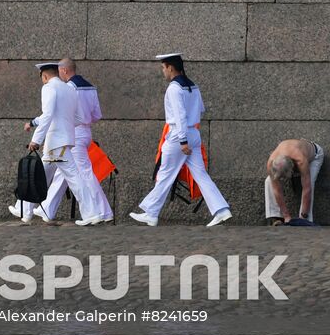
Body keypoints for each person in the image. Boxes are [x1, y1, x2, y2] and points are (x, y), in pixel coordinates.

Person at [130, 53, 231, 227]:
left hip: (179, 135)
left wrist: (183, 140)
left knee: (165, 174)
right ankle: (222, 210)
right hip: (194, 134)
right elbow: (200, 110)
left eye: (163, 67)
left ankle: (151, 213)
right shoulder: (193, 86)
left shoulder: (174, 88)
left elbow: (179, 116)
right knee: (200, 174)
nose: (163, 71)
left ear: (170, 67)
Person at [10, 61, 88, 224]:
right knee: (40, 175)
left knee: (73, 178)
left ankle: (91, 212)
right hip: (62, 142)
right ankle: (24, 209)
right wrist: (36, 123)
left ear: (44, 75)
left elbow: (47, 115)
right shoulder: (69, 89)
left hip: (56, 145)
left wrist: (35, 140)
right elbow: (79, 118)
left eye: (42, 78)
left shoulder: (48, 88)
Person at [59, 58, 113, 226]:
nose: (59, 74)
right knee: (62, 170)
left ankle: (102, 212)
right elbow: (97, 115)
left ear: (65, 70)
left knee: (84, 173)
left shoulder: (68, 88)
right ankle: (42, 207)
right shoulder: (90, 87)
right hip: (86, 132)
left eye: (59, 71)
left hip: (74, 133)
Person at [265, 138, 325, 224]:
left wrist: (302, 217)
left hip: (314, 156)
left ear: (292, 169)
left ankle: (305, 220)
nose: (282, 179)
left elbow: (306, 189)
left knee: (310, 182)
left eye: (284, 177)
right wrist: (286, 216)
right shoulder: (271, 162)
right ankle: (276, 217)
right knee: (268, 181)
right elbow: (276, 190)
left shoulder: (300, 160)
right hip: (293, 157)